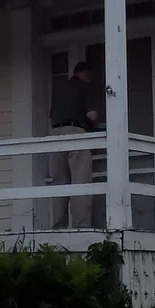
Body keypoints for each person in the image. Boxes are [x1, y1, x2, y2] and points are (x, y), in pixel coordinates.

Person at [48, 59, 103, 228]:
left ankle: (58, 226)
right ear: (86, 73)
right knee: (81, 181)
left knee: (59, 182)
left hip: (55, 134)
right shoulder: (84, 87)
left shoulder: (59, 89)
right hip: (77, 132)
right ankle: (82, 226)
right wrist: (99, 123)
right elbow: (92, 115)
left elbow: (51, 116)